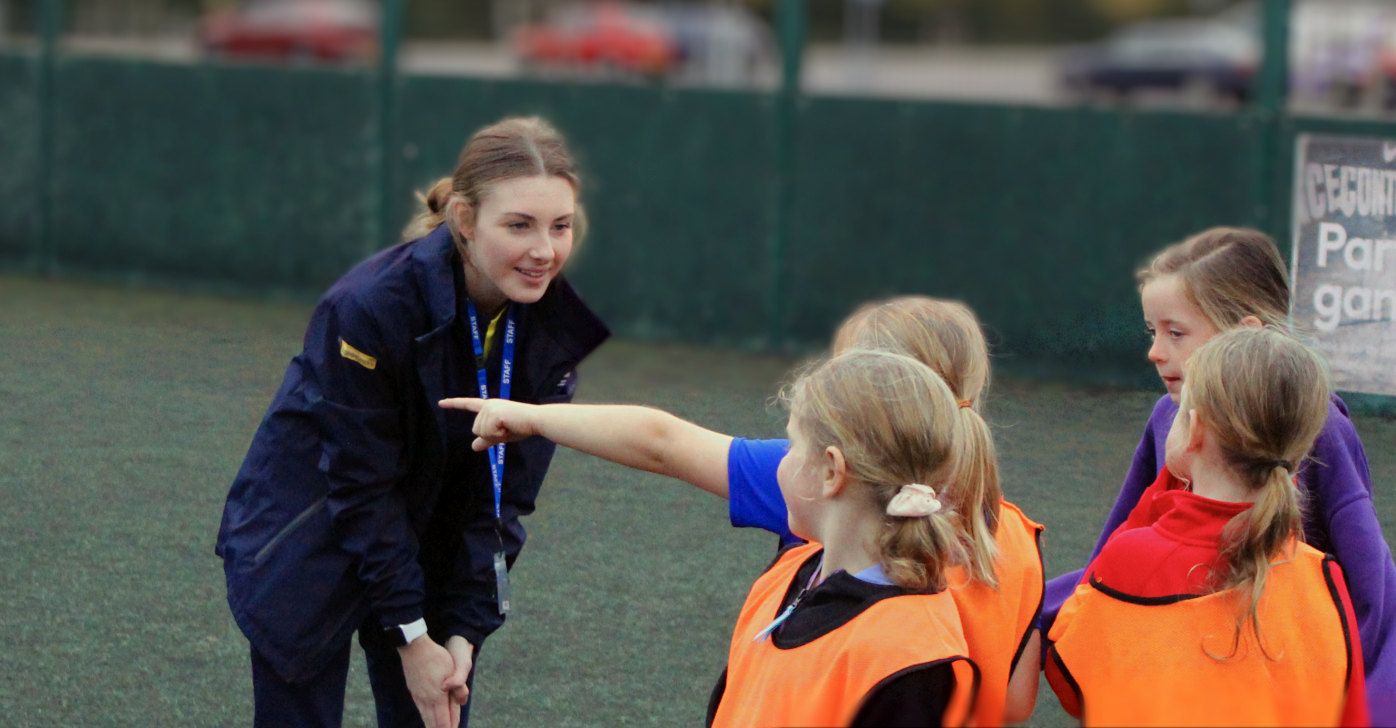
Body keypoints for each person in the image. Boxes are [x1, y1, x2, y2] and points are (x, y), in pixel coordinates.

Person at [440, 297, 1046, 726]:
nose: (787, 455)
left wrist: (534, 417)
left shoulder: (824, 508)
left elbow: (662, 442)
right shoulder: (1013, 536)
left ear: (838, 460)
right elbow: (1014, 702)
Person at [215, 117, 610, 728]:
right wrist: (410, 634)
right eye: (519, 225)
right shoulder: (369, 308)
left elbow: (502, 498)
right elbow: (361, 485)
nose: (544, 251)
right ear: (465, 220)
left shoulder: (551, 332)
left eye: (560, 226)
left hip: (426, 548)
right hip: (309, 535)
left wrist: (462, 629)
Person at [1041, 227, 1396, 726]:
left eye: (1176, 333)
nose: (1155, 351)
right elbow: (1112, 557)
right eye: (1151, 331)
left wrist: (1386, 709)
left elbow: (1373, 592)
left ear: (1243, 333)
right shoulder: (1167, 416)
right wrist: (1022, 610)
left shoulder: (1318, 428)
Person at [1045, 327, 1368, 726]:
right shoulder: (1324, 577)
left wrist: (1153, 505)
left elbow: (1069, 675)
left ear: (1194, 430)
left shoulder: (1133, 560)